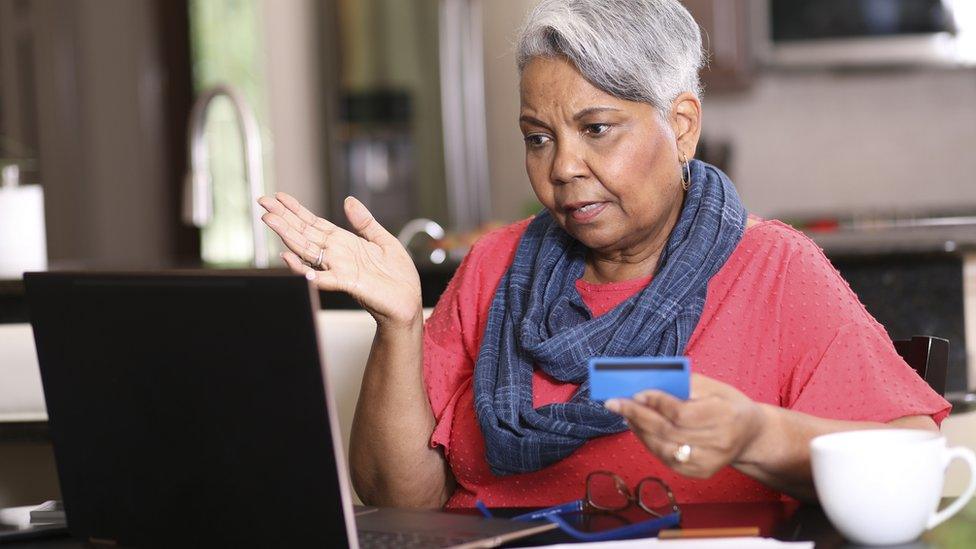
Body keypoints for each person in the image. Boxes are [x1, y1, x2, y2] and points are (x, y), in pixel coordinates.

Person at [258, 0, 949, 510]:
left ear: (680, 126)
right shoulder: (494, 269)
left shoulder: (772, 270)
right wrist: (401, 325)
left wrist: (755, 433)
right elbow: (395, 499)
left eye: (596, 129)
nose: (563, 167)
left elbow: (913, 454)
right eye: (538, 138)